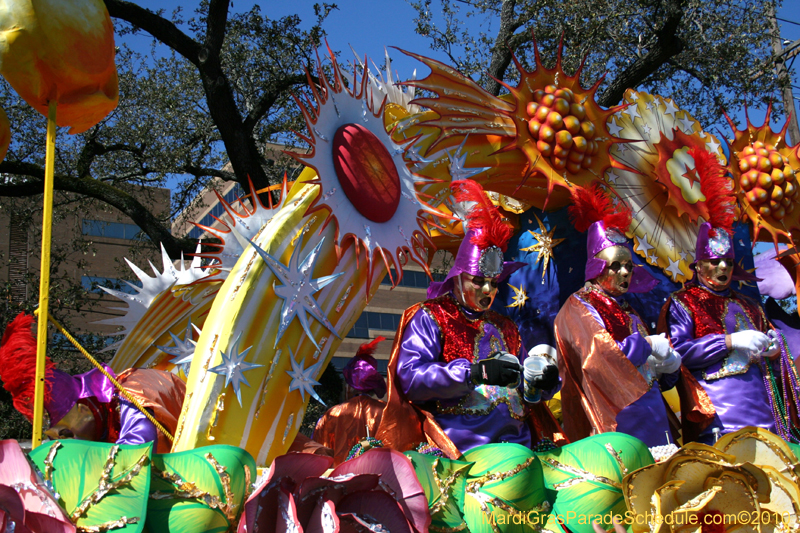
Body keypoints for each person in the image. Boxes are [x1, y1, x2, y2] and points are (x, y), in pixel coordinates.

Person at [376, 179, 564, 457]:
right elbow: (410, 378)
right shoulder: (432, 316)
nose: (488, 290)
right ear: (457, 279)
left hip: (522, 443)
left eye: (493, 282)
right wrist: (476, 373)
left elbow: (525, 389)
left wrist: (541, 383)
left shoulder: (506, 326)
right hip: (464, 448)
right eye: (478, 282)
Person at [554, 183, 682, 447]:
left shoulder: (628, 309)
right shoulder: (580, 305)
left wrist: (667, 367)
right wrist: (646, 346)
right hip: (617, 423)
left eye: (628, 266)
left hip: (653, 420)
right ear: (598, 267)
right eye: (615, 266)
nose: (625, 273)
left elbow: (647, 371)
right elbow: (599, 358)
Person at [663, 220, 799, 443]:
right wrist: (728, 341)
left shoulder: (751, 305)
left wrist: (775, 351)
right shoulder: (684, 302)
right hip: (721, 420)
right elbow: (680, 354)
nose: (723, 267)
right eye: (715, 262)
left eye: (728, 261)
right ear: (698, 265)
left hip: (765, 415)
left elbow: (776, 362)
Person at [0, 313, 184, 453]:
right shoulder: (103, 426)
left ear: (83, 406)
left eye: (66, 434)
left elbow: (137, 450)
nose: (67, 444)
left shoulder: (131, 393)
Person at [313, 337, 387, 465]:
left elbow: (319, 456)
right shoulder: (387, 411)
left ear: (348, 385)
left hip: (340, 480)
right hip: (379, 479)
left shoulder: (332, 414)